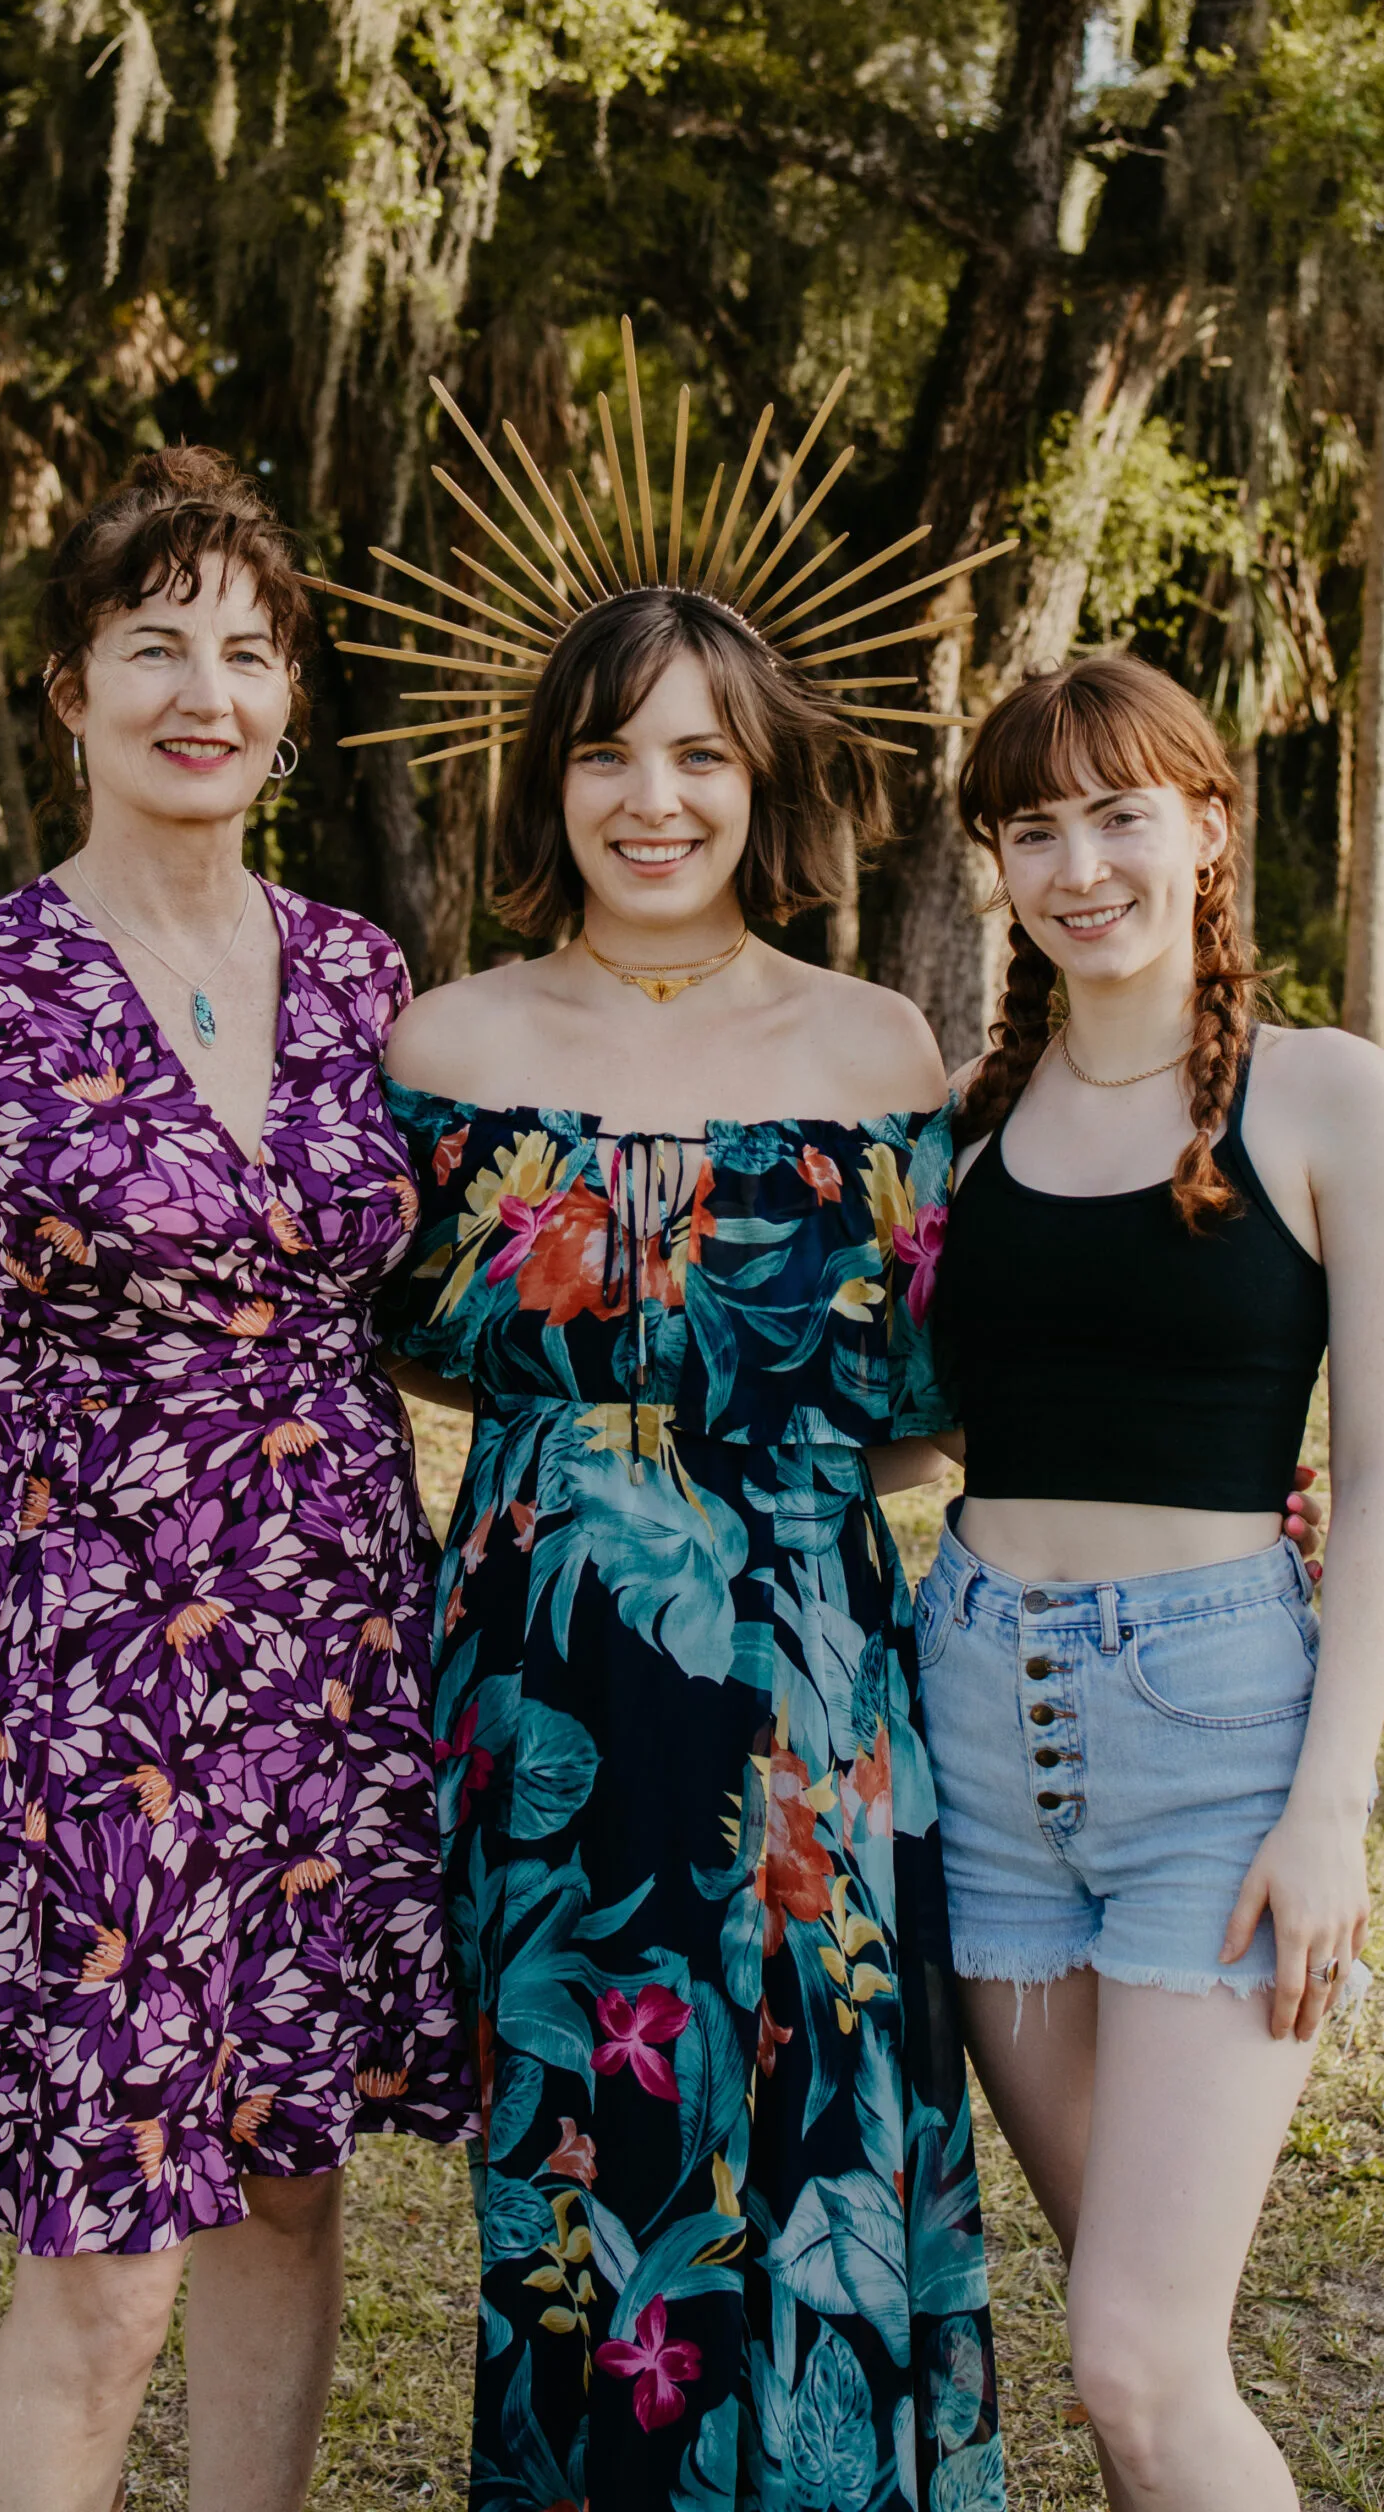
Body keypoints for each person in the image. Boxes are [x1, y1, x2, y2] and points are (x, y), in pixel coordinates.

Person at [0, 446, 472, 2512]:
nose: (205, 688)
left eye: (247, 647)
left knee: (287, 2196)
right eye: (154, 645)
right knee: (102, 2276)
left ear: (288, 691)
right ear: (68, 687)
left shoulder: (371, 979)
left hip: (329, 1669)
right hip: (83, 1696)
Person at [381, 587, 1004, 2509]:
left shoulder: (881, 1048)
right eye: (605, 753)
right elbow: (367, 1346)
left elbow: (923, 1404)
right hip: (540, 1700)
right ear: (548, 781)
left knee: (825, 2145)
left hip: (814, 1676)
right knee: (576, 2185)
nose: (650, 801)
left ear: (762, 782)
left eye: (697, 756)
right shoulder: (444, 1043)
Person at [918, 654, 1384, 2512]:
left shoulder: (1324, 1097)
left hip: (1213, 1741)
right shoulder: (969, 1126)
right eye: (1034, 827)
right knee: (1125, 2343)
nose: (1082, 867)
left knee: (1137, 2364)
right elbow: (924, 1433)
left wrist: (1331, 1803)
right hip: (971, 1731)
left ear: (1206, 827)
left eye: (1122, 815)